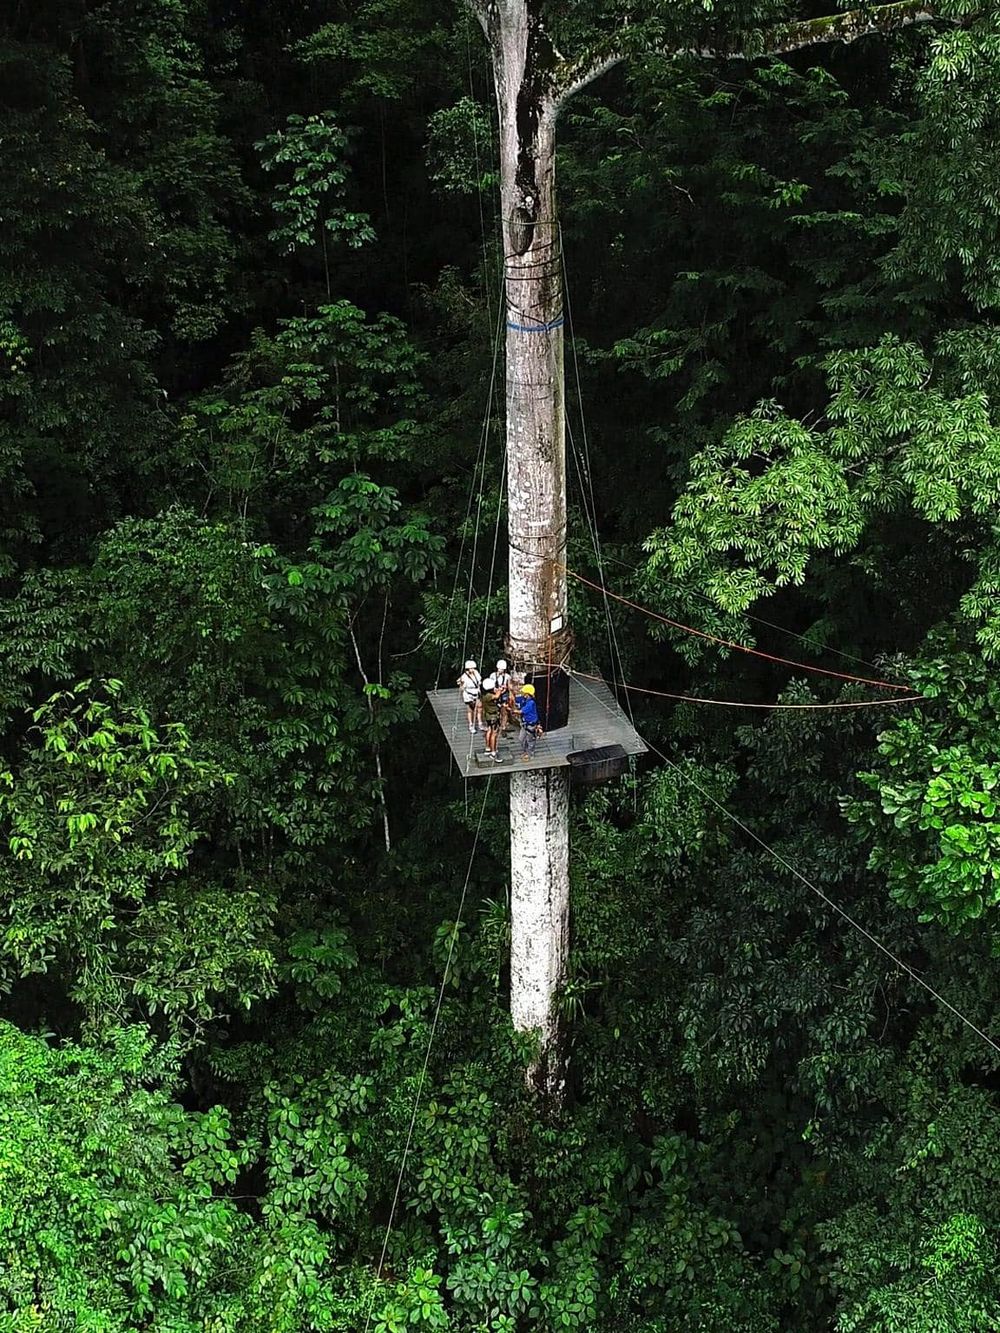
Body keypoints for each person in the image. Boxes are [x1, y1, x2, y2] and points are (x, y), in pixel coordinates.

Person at [514, 683, 543, 760]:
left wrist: (512, 710)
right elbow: (516, 699)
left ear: (527, 694)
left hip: (531, 725)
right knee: (521, 738)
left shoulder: (531, 703)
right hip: (524, 724)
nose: (522, 693)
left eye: (524, 692)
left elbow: (521, 711)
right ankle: (525, 751)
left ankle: (530, 753)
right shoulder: (525, 699)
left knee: (530, 740)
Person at [480, 675, 503, 761]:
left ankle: (488, 748)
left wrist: (499, 690)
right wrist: (500, 690)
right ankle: (493, 752)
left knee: (489, 730)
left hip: (488, 715)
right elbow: (497, 696)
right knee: (494, 733)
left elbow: (496, 695)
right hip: (493, 716)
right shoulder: (489, 696)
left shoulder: (484, 694)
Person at [456, 659, 482, 733]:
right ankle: (471, 725)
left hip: (476, 692)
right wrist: (461, 685)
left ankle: (480, 723)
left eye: (473, 668)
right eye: (471, 668)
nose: (473, 669)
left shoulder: (476, 673)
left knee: (479, 707)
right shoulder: (464, 676)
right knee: (470, 710)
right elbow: (460, 683)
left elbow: (479, 681)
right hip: (468, 694)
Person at [494, 658, 514, 736]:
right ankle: (496, 725)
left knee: (504, 711)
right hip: (496, 694)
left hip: (504, 695)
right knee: (496, 711)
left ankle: (503, 726)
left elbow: (509, 686)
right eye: (499, 668)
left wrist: (510, 692)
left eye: (502, 669)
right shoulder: (493, 675)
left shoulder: (507, 676)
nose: (501, 670)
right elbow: (492, 685)